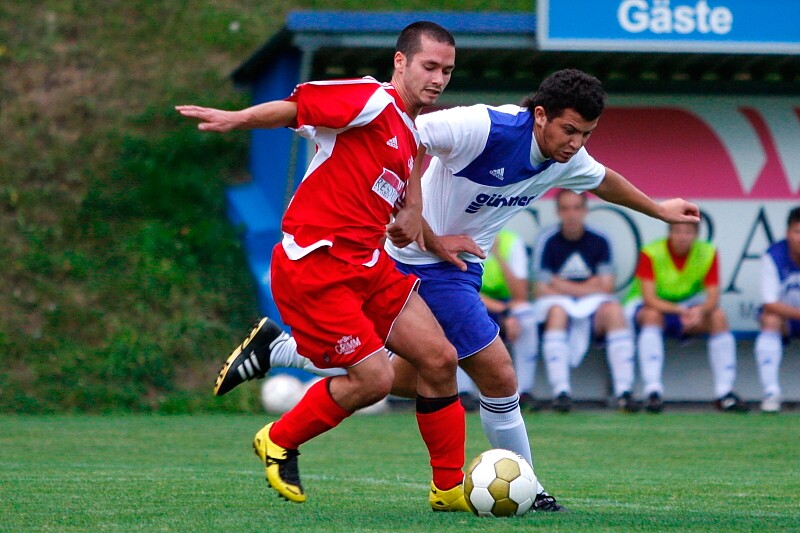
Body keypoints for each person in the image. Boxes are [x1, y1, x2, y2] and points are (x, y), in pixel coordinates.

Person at [215, 68, 701, 512]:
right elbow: (413, 135)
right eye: (569, 130)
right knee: (498, 374)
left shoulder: (564, 157)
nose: (575, 144)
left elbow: (603, 180)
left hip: (457, 267)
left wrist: (659, 210)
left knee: (418, 374)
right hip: (427, 263)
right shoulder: (486, 127)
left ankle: (282, 350)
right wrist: (415, 213)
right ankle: (530, 489)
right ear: (540, 116)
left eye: (586, 134)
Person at [177, 21, 472, 511]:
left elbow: (401, 190)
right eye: (430, 66)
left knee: (440, 360)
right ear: (400, 62)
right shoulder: (370, 100)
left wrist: (423, 228)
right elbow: (297, 108)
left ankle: (449, 491)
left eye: (447, 70)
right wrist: (238, 119)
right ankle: (279, 439)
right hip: (318, 265)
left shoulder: (409, 134)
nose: (439, 78)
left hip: (369, 265)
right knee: (374, 380)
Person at [625, 221, 748, 413]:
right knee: (651, 316)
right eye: (678, 231)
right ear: (669, 232)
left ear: (696, 234)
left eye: (688, 232)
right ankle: (653, 391)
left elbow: (713, 298)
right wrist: (679, 310)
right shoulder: (651, 252)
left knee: (718, 317)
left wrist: (699, 311)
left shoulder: (707, 252)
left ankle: (724, 393)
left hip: (688, 308)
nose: (682, 237)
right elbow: (649, 299)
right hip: (653, 307)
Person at [532, 189, 637, 413]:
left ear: (585, 210)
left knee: (614, 311)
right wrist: (589, 285)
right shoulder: (547, 240)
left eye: (577, 208)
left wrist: (561, 284)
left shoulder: (600, 239)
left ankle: (624, 392)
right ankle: (561, 393)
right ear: (558, 212)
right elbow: (540, 288)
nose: (571, 214)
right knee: (557, 311)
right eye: (566, 209)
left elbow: (607, 286)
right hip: (558, 303)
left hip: (592, 303)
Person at [478, 228, 541, 412]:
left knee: (525, 317)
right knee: (454, 314)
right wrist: (503, 311)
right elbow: (459, 289)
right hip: (473, 302)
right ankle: (463, 393)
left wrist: (498, 254)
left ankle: (523, 391)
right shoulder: (462, 238)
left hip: (505, 304)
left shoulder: (510, 242)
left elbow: (520, 294)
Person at [754, 206, 800, 413]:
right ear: (788, 233)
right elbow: (770, 302)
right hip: (786, 319)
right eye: (797, 232)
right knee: (770, 319)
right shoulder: (773, 255)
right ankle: (771, 393)